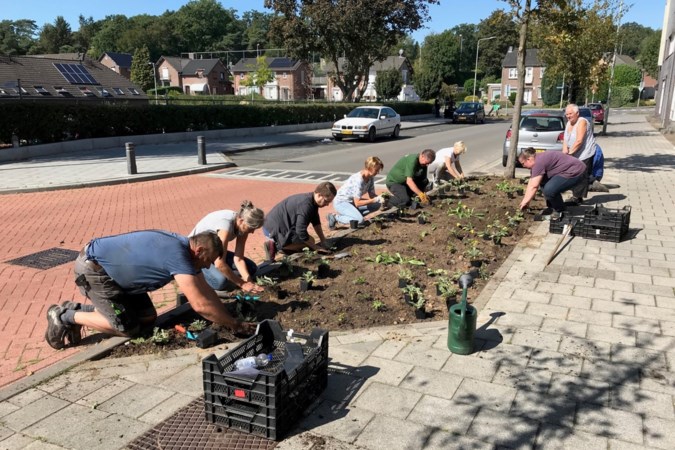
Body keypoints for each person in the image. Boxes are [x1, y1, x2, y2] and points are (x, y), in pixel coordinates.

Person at [44, 230, 255, 350]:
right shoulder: (178, 255)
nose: (209, 266)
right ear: (198, 250)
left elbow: (206, 291)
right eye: (208, 260)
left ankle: (81, 310)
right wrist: (234, 325)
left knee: (147, 318)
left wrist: (228, 318)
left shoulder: (186, 252)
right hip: (96, 270)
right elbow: (199, 304)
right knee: (128, 328)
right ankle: (65, 315)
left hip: (123, 279)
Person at [189, 201, 265, 293]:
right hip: (198, 255)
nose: (252, 232)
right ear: (241, 221)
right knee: (220, 282)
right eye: (251, 229)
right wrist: (242, 284)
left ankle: (226, 274)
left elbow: (239, 259)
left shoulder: (243, 226)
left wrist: (249, 282)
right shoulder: (225, 226)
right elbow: (219, 263)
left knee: (251, 268)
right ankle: (197, 275)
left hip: (214, 252)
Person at [262, 182, 337, 261]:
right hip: (273, 229)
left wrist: (323, 240)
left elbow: (316, 222)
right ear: (319, 195)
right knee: (309, 242)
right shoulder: (306, 206)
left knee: (309, 241)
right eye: (326, 201)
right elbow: (301, 231)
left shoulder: (312, 201)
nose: (327, 204)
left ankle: (285, 245)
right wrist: (315, 247)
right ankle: (277, 246)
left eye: (329, 202)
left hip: (278, 225)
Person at [518, 147, 587, 215]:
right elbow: (531, 183)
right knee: (543, 181)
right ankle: (552, 207)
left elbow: (534, 186)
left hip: (577, 171)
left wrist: (525, 202)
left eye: (523, 163)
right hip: (568, 170)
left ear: (529, 159)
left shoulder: (538, 163)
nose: (523, 166)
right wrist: (525, 201)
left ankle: (560, 211)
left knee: (549, 190)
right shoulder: (537, 161)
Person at [326, 157, 384, 229]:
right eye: (376, 170)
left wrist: (381, 197)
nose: (378, 172)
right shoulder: (359, 180)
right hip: (341, 202)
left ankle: (354, 215)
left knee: (377, 205)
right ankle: (334, 217)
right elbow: (357, 203)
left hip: (352, 201)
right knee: (359, 220)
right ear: (370, 168)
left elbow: (372, 195)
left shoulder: (370, 177)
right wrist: (374, 200)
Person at [562, 103, 597, 204]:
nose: (568, 116)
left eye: (570, 114)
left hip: (585, 153)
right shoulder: (569, 123)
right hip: (574, 153)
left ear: (577, 113)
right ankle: (577, 194)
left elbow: (579, 141)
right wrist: (564, 151)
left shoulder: (582, 122)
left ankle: (578, 198)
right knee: (573, 173)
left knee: (581, 174)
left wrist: (570, 154)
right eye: (567, 114)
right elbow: (565, 139)